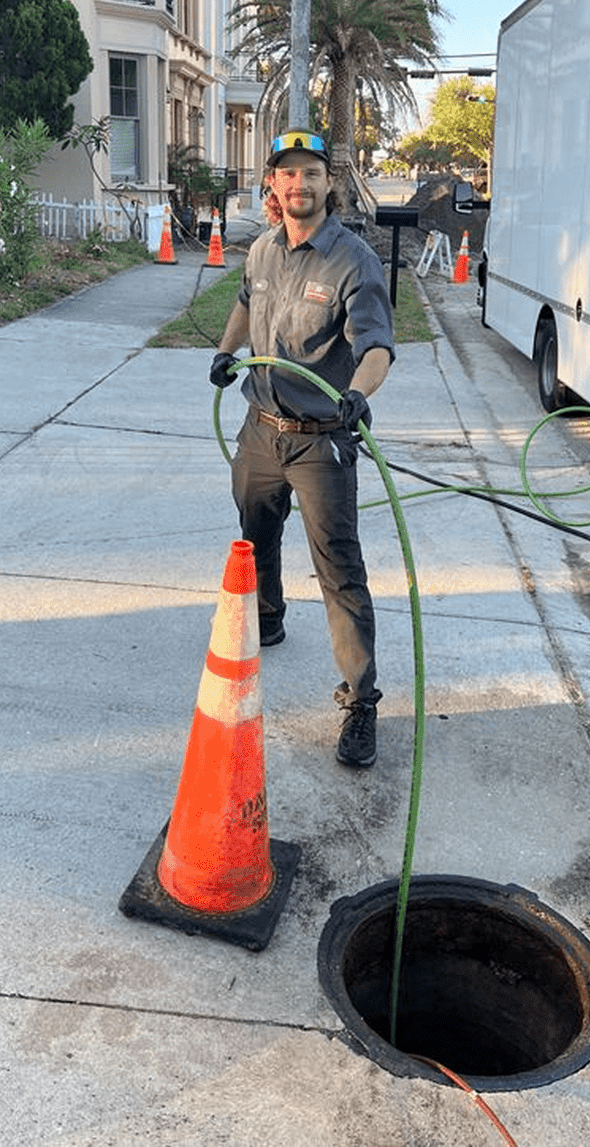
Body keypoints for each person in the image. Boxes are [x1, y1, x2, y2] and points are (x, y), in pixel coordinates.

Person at [209, 129, 396, 769]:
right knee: (254, 532)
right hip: (260, 429)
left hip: (322, 441)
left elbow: (375, 347)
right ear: (273, 184)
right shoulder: (261, 251)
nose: (299, 185)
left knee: (339, 569)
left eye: (310, 173)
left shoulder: (353, 260)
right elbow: (243, 303)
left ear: (328, 182)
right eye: (287, 175)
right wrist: (226, 352)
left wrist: (361, 393)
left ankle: (362, 701)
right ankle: (268, 616)